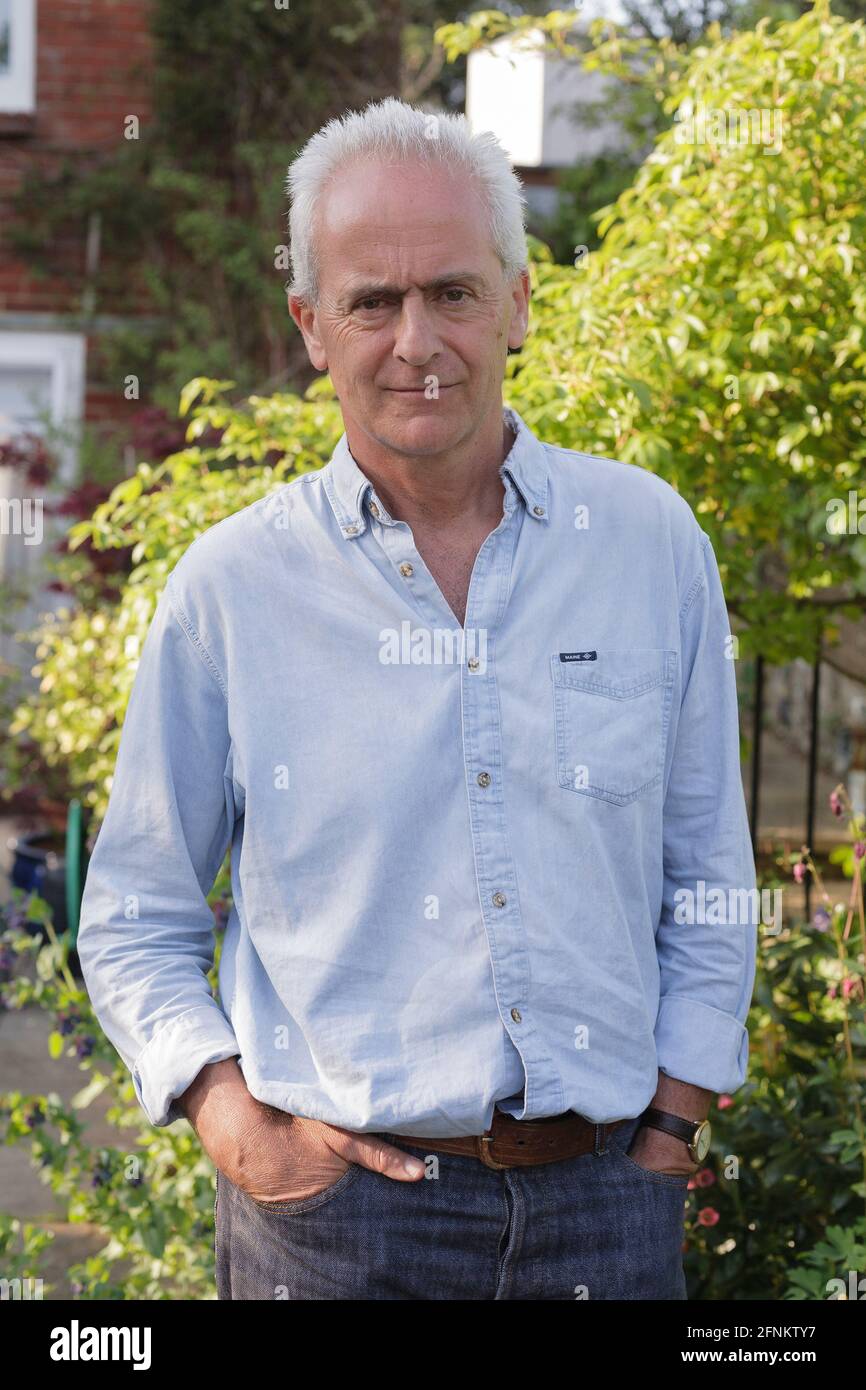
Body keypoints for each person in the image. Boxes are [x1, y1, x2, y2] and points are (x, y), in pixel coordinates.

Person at [76, 97, 757, 1301]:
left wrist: (671, 1128)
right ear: (309, 326)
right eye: (370, 302)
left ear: (516, 304)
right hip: (332, 1230)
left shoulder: (647, 545)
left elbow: (703, 862)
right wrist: (235, 1124)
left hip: (608, 1211)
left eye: (450, 292)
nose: (415, 341)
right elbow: (135, 912)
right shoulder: (233, 590)